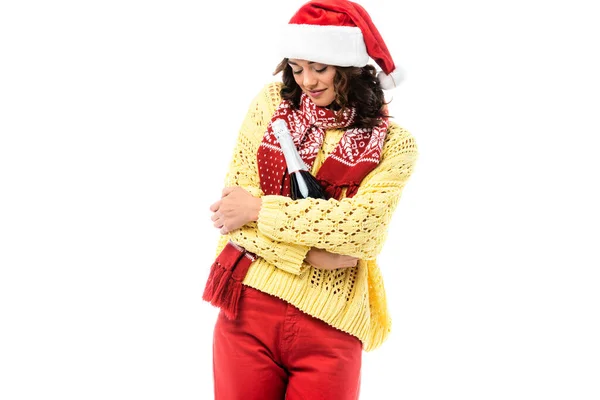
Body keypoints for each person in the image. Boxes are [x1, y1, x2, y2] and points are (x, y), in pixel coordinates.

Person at [204, 0, 418, 398]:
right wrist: (313, 254)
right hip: (247, 304)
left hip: (331, 321)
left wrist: (258, 210)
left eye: (319, 68)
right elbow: (233, 210)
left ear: (352, 69)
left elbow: (362, 234)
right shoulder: (271, 105)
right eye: (297, 68)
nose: (307, 81)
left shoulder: (394, 144)